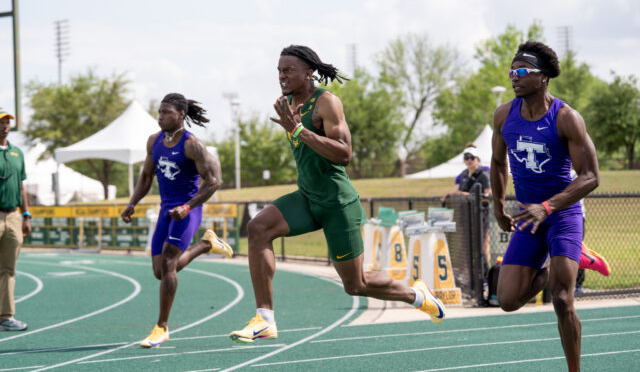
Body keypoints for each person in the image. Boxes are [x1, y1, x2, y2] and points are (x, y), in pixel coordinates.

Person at [229, 45, 446, 343]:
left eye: (288, 70)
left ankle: (416, 295)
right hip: (307, 197)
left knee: (356, 285)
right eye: (279, 70)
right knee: (258, 228)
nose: (281, 76)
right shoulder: (286, 103)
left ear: (309, 73)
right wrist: (295, 128)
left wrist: (298, 131)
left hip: (336, 203)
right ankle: (265, 319)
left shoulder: (327, 103)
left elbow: (344, 154)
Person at [491, 41, 607, 372]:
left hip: (564, 213)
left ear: (543, 78)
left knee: (562, 299)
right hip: (529, 216)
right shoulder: (504, 115)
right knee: (508, 301)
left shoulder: (567, 118)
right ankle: (554, 268)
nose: (514, 76)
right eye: (512, 71)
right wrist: (499, 206)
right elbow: (498, 163)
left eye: (522, 71)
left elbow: (590, 177)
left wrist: (549, 206)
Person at [121, 94, 233, 348]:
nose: (160, 117)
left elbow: (214, 180)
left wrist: (188, 206)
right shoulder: (154, 141)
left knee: (169, 263)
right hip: (165, 210)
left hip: (187, 210)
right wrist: (132, 203)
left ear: (181, 114)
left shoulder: (192, 144)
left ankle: (161, 327)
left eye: (166, 112)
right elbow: (147, 176)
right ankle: (206, 244)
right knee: (159, 271)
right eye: (159, 112)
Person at [442, 143, 492, 285]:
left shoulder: (483, 175)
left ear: (478, 159)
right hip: (466, 216)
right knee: (468, 246)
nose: (469, 160)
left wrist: (469, 196)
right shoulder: (463, 175)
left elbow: (488, 196)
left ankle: (484, 277)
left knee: (481, 246)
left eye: (472, 157)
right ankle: (471, 277)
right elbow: (458, 192)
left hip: (481, 215)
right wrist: (451, 195)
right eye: (466, 157)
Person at [0, 109, 31, 331]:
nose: (5, 125)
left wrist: (26, 214)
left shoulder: (17, 153)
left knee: (8, 269)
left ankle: (5, 316)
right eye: (1, 122)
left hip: (13, 215)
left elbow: (21, 185)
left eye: (7, 121)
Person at [571, 169, 610, 296]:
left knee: (575, 252)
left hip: (574, 217)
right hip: (553, 215)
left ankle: (578, 285)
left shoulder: (576, 173)